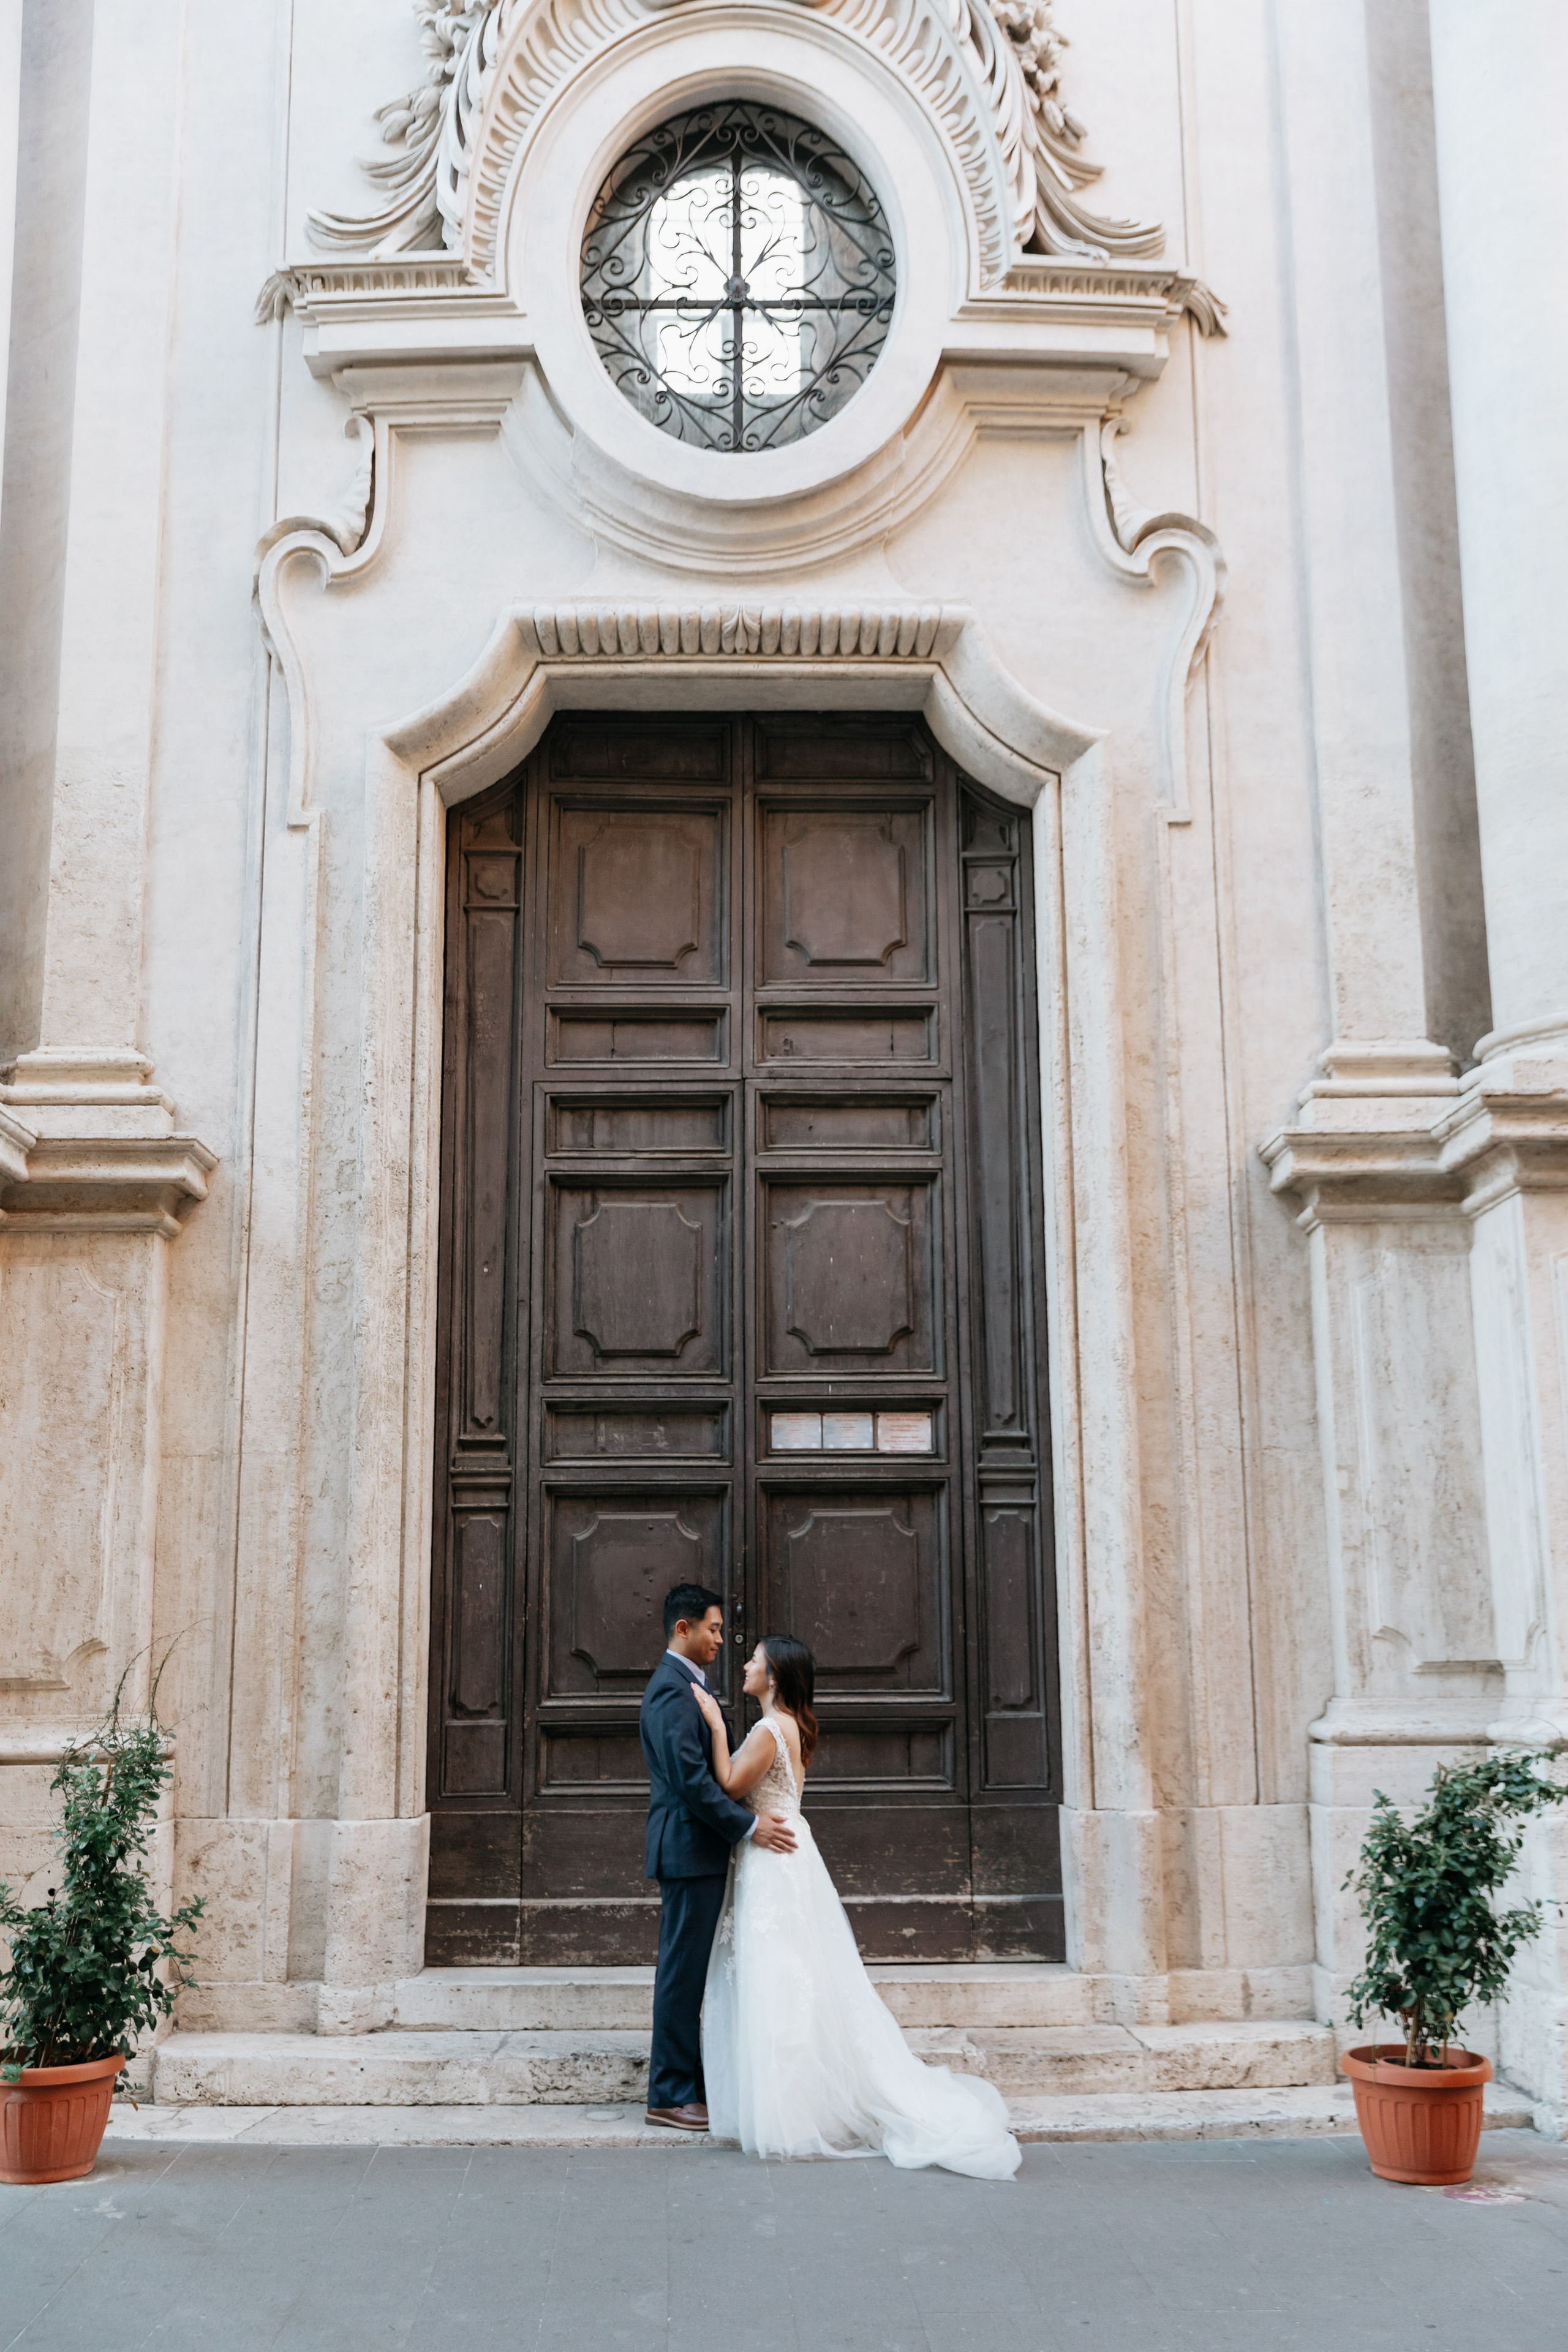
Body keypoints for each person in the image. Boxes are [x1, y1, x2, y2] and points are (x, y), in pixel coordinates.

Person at [693, 1633, 1020, 2177]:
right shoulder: (793, 1726)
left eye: (753, 1660)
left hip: (774, 1864)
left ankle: (791, 2111)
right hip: (788, 1853)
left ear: (773, 1676)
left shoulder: (769, 1729)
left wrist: (715, 1727)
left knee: (779, 1977)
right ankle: (798, 2101)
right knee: (798, 1977)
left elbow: (728, 1784)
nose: (744, 1665)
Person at [639, 1583, 797, 2131]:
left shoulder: (689, 1688)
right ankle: (669, 2093)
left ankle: (692, 2083)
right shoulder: (670, 1690)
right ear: (683, 1629)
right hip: (687, 1851)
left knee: (692, 1974)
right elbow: (690, 1782)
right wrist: (750, 1825)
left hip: (700, 1851)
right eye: (713, 1629)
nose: (720, 1640)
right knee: (681, 1975)